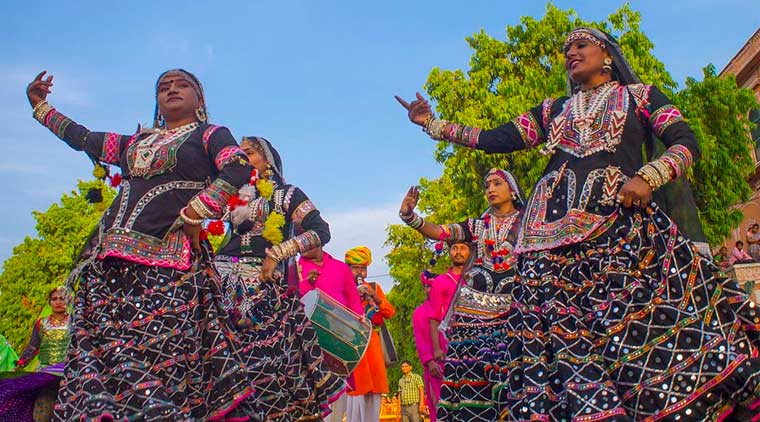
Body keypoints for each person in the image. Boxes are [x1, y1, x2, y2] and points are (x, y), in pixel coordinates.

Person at [397, 27, 760, 420]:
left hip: (619, 227)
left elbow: (686, 142)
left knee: (639, 322)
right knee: (562, 341)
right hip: (545, 243)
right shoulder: (554, 111)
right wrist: (432, 124)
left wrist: (649, 176)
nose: (571, 53)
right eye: (567, 49)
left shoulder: (640, 96)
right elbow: (492, 138)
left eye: (580, 46)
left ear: (606, 55)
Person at [26, 69, 261, 420]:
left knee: (162, 359)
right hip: (108, 264)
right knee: (106, 360)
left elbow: (237, 167)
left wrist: (197, 211)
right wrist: (41, 106)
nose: (171, 89)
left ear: (200, 99)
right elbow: (83, 138)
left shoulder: (210, 134)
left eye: (182, 85)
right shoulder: (134, 143)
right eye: (163, 87)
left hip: (171, 264)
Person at [213, 136, 345, 420]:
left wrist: (280, 252)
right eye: (238, 154)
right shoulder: (232, 197)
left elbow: (320, 231)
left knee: (268, 370)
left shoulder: (286, 194)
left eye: (248, 153)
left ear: (267, 159)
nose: (241, 158)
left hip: (264, 290)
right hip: (221, 288)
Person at [399, 169, 524, 420]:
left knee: (512, 375)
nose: (490, 189)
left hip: (513, 309)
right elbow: (440, 232)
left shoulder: (528, 221)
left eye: (497, 183)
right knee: (471, 374)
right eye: (487, 184)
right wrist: (409, 216)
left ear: (512, 190)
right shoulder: (476, 226)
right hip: (472, 313)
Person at [298, 245, 364, 422]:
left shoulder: (341, 267)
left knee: (338, 399)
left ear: (318, 243)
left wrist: (359, 323)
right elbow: (294, 298)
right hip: (310, 344)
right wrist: (306, 283)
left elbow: (354, 300)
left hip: (340, 341)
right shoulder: (295, 268)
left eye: (306, 242)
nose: (301, 247)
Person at [0, 287, 69, 421]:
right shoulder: (42, 323)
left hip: (71, 371)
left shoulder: (76, 322)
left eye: (62, 298)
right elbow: (33, 347)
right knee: (42, 408)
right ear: (49, 303)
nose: (58, 301)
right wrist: (20, 364)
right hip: (46, 373)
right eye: (54, 299)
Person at [344, 246, 396, 422]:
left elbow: (389, 313)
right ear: (348, 268)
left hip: (373, 345)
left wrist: (374, 297)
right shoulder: (343, 287)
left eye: (363, 268)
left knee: (374, 391)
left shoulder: (374, 287)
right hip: (353, 345)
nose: (360, 272)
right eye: (356, 268)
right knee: (357, 390)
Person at [412, 275, 445, 422]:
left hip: (455, 361)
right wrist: (429, 361)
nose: (431, 289)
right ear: (424, 289)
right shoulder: (419, 312)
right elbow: (420, 340)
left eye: (434, 286)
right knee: (437, 402)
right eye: (428, 286)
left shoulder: (449, 307)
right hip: (435, 365)